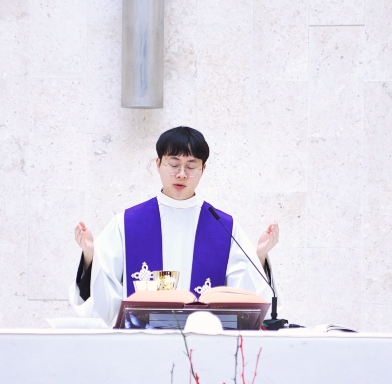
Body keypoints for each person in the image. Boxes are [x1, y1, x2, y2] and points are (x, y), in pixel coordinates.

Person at [69, 126, 279, 326]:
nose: (181, 174)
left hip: (204, 341)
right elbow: (103, 295)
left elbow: (244, 297)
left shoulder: (223, 226)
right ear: (158, 164)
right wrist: (89, 255)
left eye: (191, 166)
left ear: (203, 169)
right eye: (174, 164)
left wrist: (259, 256)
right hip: (143, 339)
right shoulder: (127, 222)